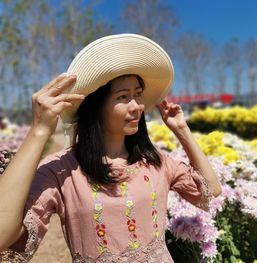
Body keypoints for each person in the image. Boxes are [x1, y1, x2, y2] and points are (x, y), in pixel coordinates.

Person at [0, 33, 222, 262]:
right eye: (123, 96)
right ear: (95, 107)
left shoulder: (155, 161)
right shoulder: (61, 171)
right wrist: (38, 132)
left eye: (138, 94)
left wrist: (182, 130)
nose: (137, 106)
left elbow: (210, 191)